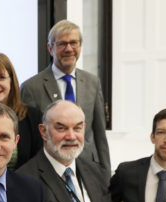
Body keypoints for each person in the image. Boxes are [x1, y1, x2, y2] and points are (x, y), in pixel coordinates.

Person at [18, 101, 148, 202]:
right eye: (61, 128)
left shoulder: (93, 170)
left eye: (77, 128)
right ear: (43, 132)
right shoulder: (24, 180)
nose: (71, 136)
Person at [20, 20, 111, 183]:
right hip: (48, 174)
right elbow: (29, 142)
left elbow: (99, 135)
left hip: (88, 172)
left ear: (80, 46)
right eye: (62, 43)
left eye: (73, 43)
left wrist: (105, 176)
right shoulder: (31, 88)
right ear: (50, 48)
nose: (68, 49)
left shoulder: (92, 82)